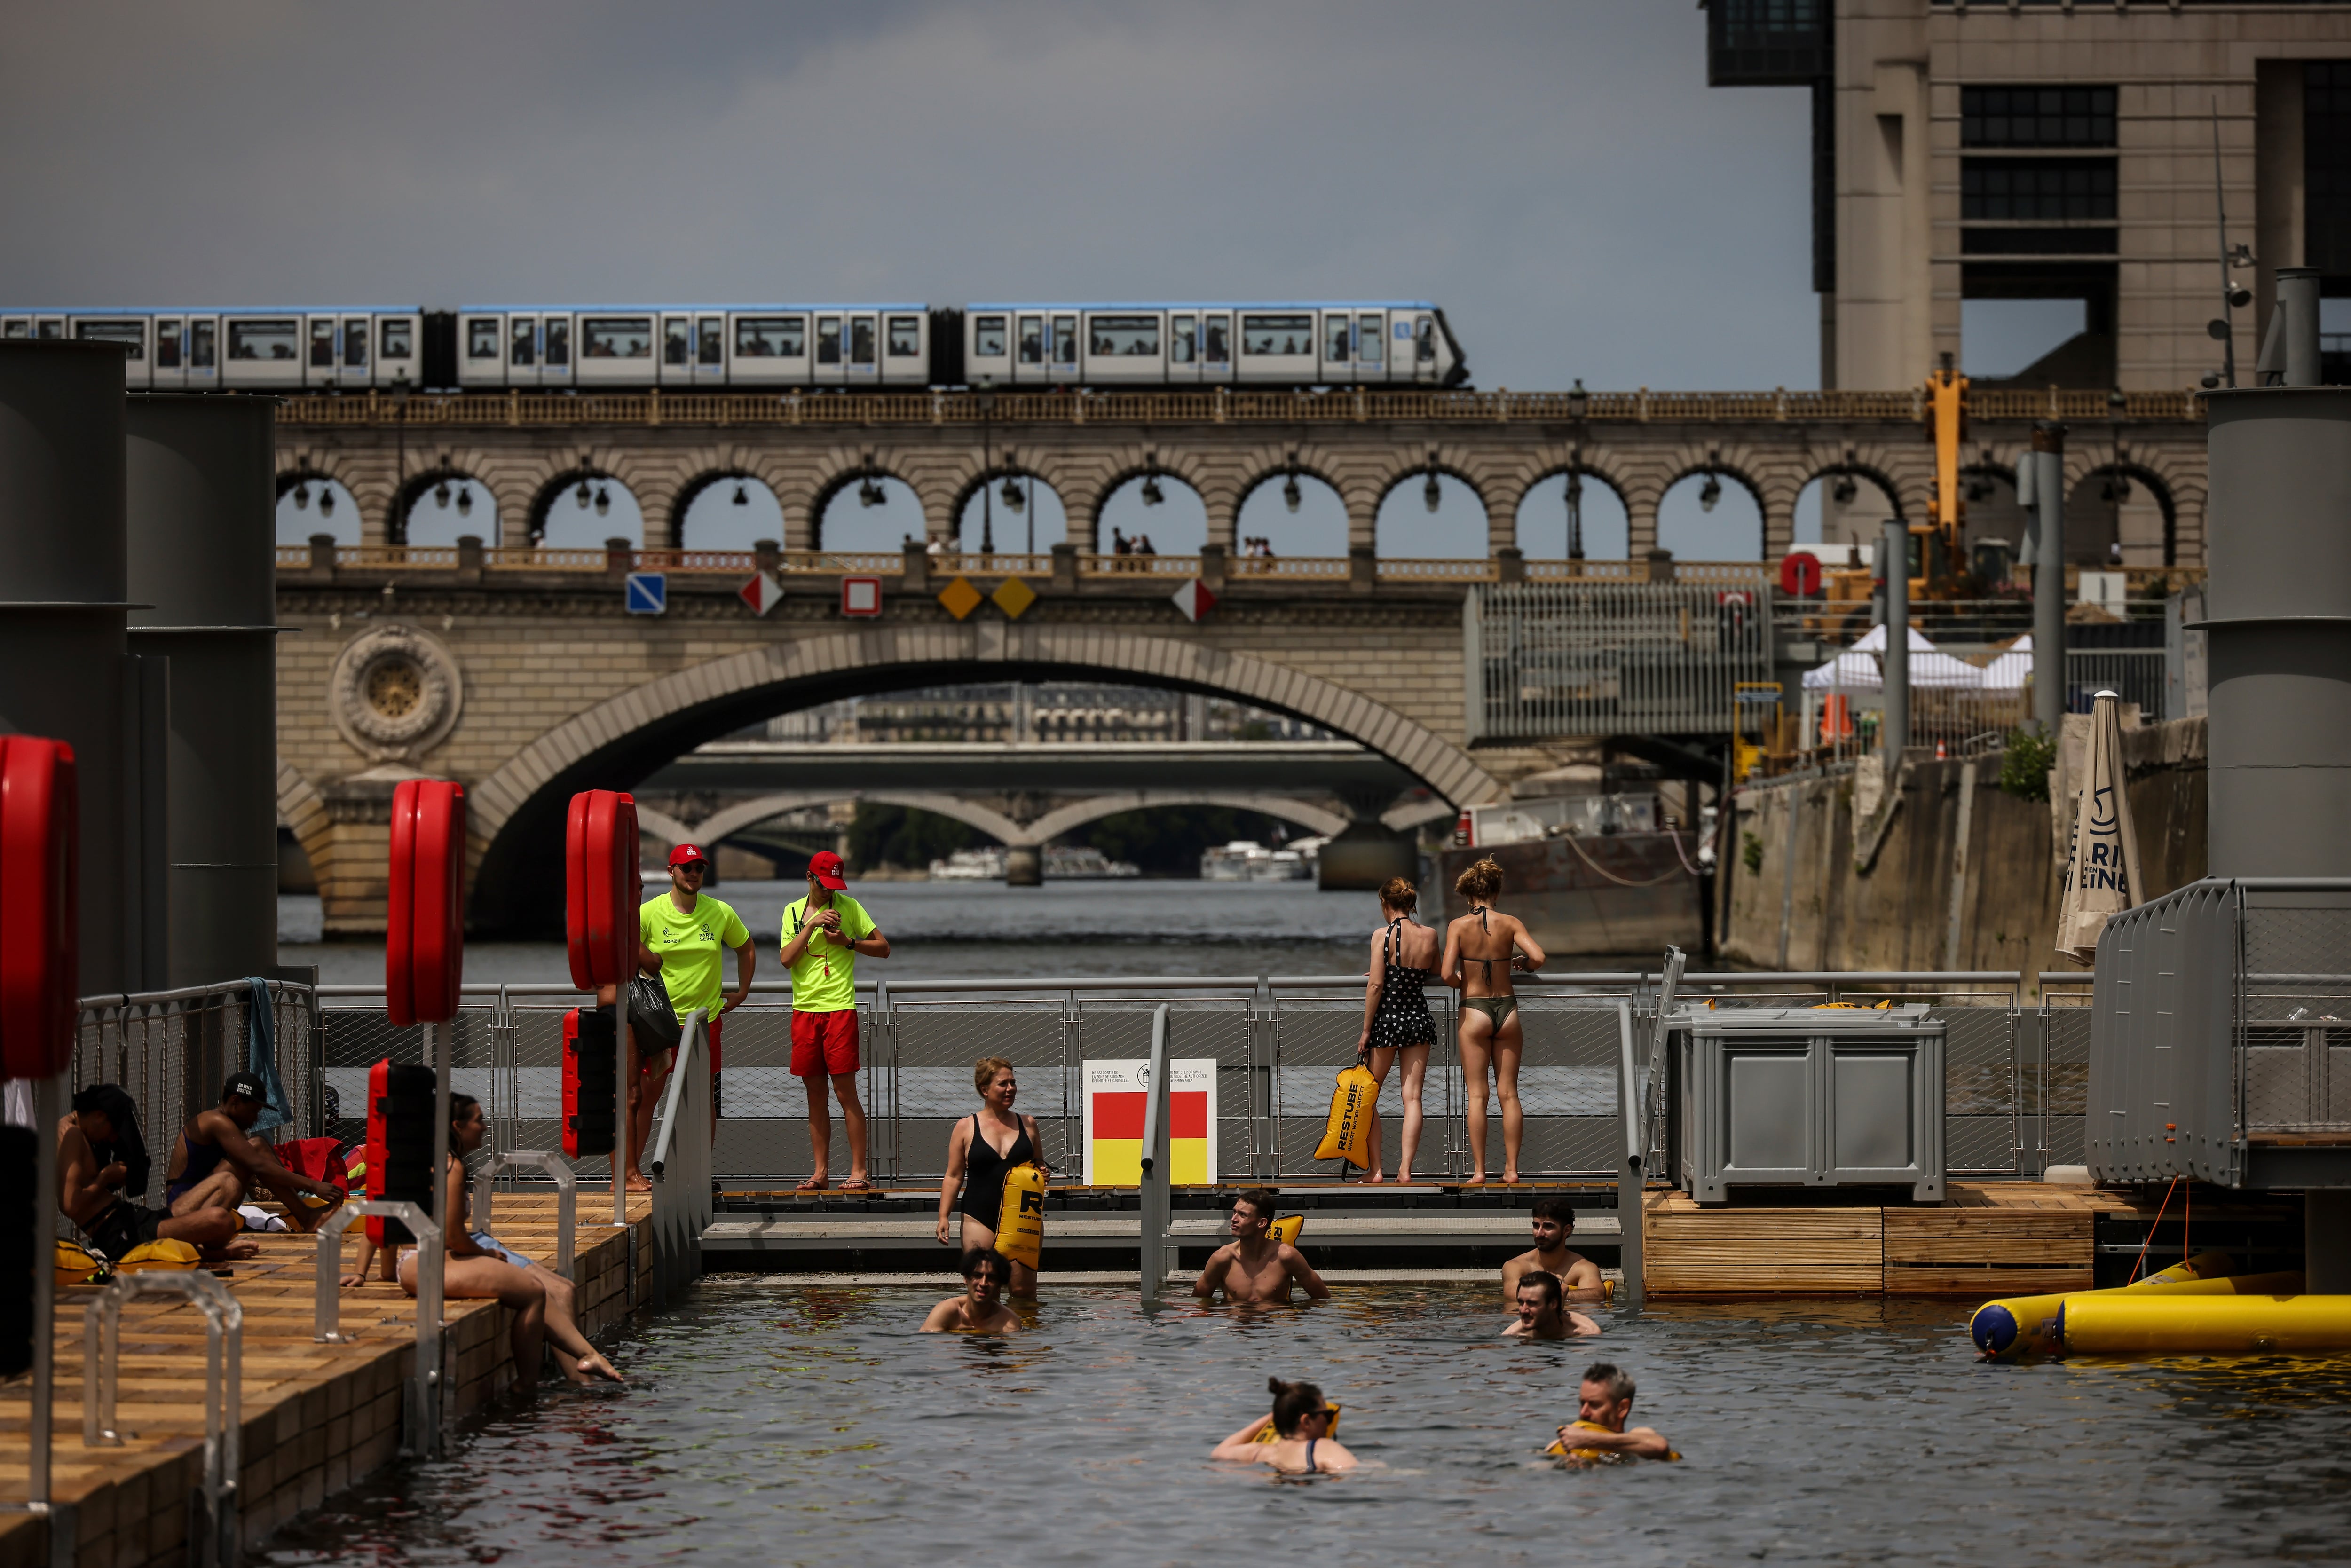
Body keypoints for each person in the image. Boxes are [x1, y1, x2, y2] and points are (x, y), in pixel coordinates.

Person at [364, 1094, 622, 1387]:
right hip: (430, 1261)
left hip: (424, 1260)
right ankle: (532, 1389)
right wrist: (484, 1255)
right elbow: (452, 1235)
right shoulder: (450, 1168)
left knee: (543, 1291)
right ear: (456, 1126)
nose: (485, 1127)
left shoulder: (420, 1162)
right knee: (535, 1292)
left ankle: (565, 1374)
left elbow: (380, 1215)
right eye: (479, 1120)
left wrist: (371, 1271)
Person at [779, 849, 889, 1191]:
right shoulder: (793, 911)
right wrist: (811, 925)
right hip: (805, 1011)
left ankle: (859, 1171)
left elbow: (884, 948)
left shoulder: (850, 907)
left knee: (845, 1093)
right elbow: (786, 960)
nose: (830, 891)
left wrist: (849, 942)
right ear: (810, 878)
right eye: (824, 884)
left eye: (834, 885)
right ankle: (820, 1172)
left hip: (840, 1009)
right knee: (815, 1095)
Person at [639, 842, 753, 1147]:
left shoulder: (720, 912)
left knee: (704, 1102)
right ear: (671, 871)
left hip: (704, 1023)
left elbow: (746, 948)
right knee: (646, 1099)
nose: (693, 874)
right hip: (659, 1025)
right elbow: (623, 956)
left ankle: (701, 1174)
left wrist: (742, 991)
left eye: (699, 868)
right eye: (686, 868)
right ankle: (632, 1173)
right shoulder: (648, 913)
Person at [1440, 858, 1546, 1185]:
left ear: (1468, 893)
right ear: (1496, 890)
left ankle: (1480, 1171)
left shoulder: (1458, 926)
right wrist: (1522, 965)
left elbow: (1445, 974)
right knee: (1509, 1094)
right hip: (1508, 1010)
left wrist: (1463, 982)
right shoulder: (1511, 922)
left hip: (1474, 1010)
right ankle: (1512, 1170)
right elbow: (1539, 957)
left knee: (1477, 1095)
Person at [58, 1085, 251, 1261]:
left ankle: (192, 1241)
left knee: (228, 1182)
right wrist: (106, 1176)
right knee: (222, 1221)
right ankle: (204, 1251)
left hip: (135, 1219)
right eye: (113, 1130)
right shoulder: (73, 1135)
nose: (111, 1138)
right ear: (100, 1116)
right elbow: (69, 1205)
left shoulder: (76, 1132)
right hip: (119, 1232)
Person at [161, 1072, 345, 1231]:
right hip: (184, 1207)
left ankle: (306, 1216)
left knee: (258, 1145)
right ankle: (306, 1217)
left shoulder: (231, 1126)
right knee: (257, 1147)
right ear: (235, 1101)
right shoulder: (214, 1120)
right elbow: (259, 1165)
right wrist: (313, 1185)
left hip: (207, 1199)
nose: (255, 1119)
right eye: (253, 1111)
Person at [935, 1056, 1047, 1298]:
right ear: (985, 1089)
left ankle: (1025, 1336)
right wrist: (944, 1216)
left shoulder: (1028, 1124)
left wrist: (1042, 1173)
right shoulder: (966, 1127)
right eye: (1003, 1084)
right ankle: (983, 1337)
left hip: (1022, 1218)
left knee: (1024, 1292)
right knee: (984, 1294)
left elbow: (1038, 1167)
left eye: (1013, 1083)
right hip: (979, 1218)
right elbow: (954, 1176)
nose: (1010, 1089)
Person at [1352, 876, 1439, 1184]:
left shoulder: (1383, 935)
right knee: (1412, 1097)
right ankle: (1405, 1170)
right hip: (1418, 1018)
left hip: (1388, 1020)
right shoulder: (1430, 935)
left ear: (1385, 904)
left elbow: (1376, 985)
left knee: (1369, 1096)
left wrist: (1365, 1031)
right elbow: (1438, 971)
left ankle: (1376, 1170)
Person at [1193, 1189, 1329, 1305]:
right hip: (1235, 1332)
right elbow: (1198, 1304)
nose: (1234, 1219)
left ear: (1261, 1223)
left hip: (1275, 1330)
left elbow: (1323, 1300)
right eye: (1234, 1212)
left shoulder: (1286, 1256)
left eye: (1243, 1215)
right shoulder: (1222, 1258)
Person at [1210, 1378, 1357, 1474]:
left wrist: (1275, 1414)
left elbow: (1219, 1453)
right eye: (1327, 1415)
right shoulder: (1321, 1448)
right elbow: (1354, 1473)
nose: (1328, 1422)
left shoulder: (1259, 1453)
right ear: (1306, 1422)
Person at [1554, 1362, 1674, 1464]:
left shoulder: (1640, 1435)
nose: (1584, 1413)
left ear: (1622, 1408)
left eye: (1595, 1405)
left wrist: (1588, 1439)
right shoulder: (1563, 1444)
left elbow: (1660, 1446)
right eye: (1582, 1403)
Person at [1500, 1196, 1606, 1305]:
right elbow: (1514, 1298)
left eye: (1548, 1227)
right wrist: (1555, 1294)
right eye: (1536, 1226)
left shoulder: (1583, 1268)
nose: (1539, 1234)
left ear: (1566, 1230)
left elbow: (1597, 1295)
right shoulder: (1515, 1266)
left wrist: (1558, 1294)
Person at [921, 1247, 1022, 1333]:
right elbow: (928, 1348)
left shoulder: (1008, 1322)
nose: (983, 1284)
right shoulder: (947, 1312)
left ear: (1000, 1284)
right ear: (966, 1278)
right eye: (977, 1276)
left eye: (991, 1278)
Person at [1502, 1269, 1601, 1340]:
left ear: (1553, 1304)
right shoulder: (1511, 1335)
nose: (1523, 1310)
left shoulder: (1588, 1332)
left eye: (1532, 1304)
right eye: (1521, 1303)